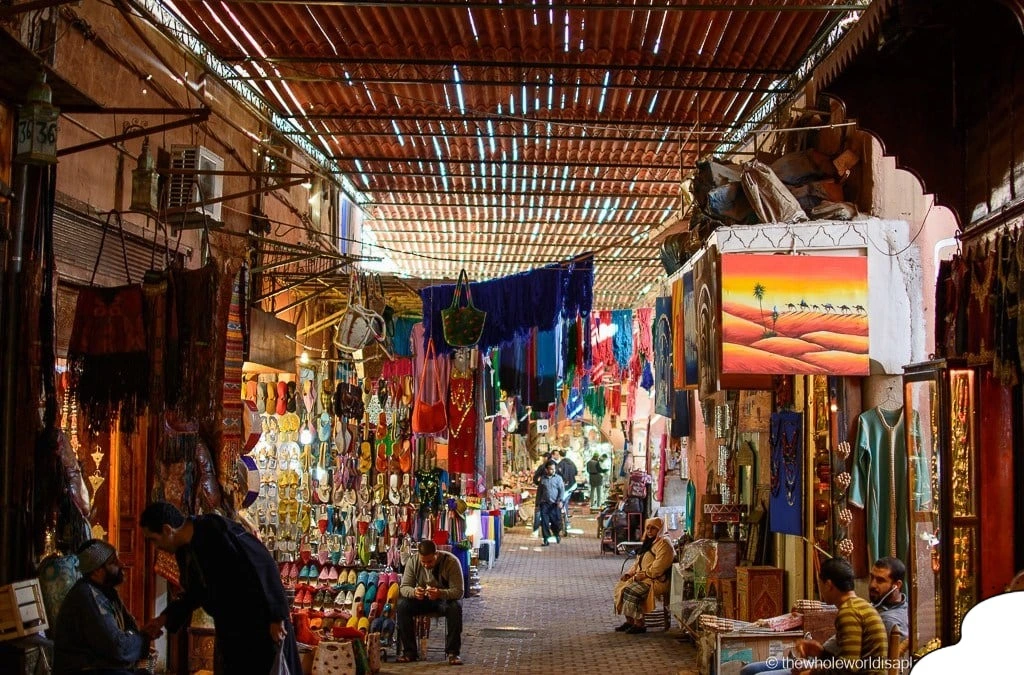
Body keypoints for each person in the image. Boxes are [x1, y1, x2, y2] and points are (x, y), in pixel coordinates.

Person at [138, 502, 301, 675]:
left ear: (167, 530)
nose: (156, 547)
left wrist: (277, 616)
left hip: (261, 625)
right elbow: (193, 594)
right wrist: (162, 619)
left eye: (153, 540)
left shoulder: (217, 530)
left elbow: (263, 563)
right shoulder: (185, 551)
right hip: (232, 629)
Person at [740, 557, 906, 675]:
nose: (873, 584)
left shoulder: (850, 612)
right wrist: (820, 652)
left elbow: (848, 668)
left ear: (828, 585)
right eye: (872, 578)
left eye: (820, 584)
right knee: (749, 670)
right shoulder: (858, 605)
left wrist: (811, 672)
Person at [53, 539, 159, 675]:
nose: (122, 564)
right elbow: (117, 647)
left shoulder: (107, 591)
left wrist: (141, 634)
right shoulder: (88, 596)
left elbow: (130, 628)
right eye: (114, 562)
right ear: (97, 570)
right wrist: (144, 637)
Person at [396, 539, 465, 665]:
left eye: (430, 561)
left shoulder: (451, 562)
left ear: (436, 555)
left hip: (444, 601)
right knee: (402, 606)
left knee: (455, 607)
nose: (426, 565)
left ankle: (453, 653)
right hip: (422, 599)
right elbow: (404, 587)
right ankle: (409, 652)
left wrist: (440, 593)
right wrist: (414, 592)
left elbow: (458, 591)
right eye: (423, 562)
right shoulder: (413, 561)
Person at [612, 517, 674, 634]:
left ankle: (639, 624)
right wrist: (629, 574)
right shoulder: (648, 543)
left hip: (656, 580)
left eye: (653, 528)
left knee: (631, 591)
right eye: (648, 528)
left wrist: (644, 574)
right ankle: (630, 621)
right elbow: (637, 563)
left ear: (660, 529)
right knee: (620, 587)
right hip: (642, 578)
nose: (649, 531)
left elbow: (659, 567)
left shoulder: (664, 544)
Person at [535, 460, 566, 545]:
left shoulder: (558, 479)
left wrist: (560, 500)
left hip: (555, 504)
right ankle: (546, 539)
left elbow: (562, 490)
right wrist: (537, 504)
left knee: (555, 522)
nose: (553, 471)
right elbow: (539, 492)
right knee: (544, 522)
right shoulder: (543, 479)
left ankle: (556, 534)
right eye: (551, 469)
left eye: (554, 469)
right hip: (544, 504)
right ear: (546, 469)